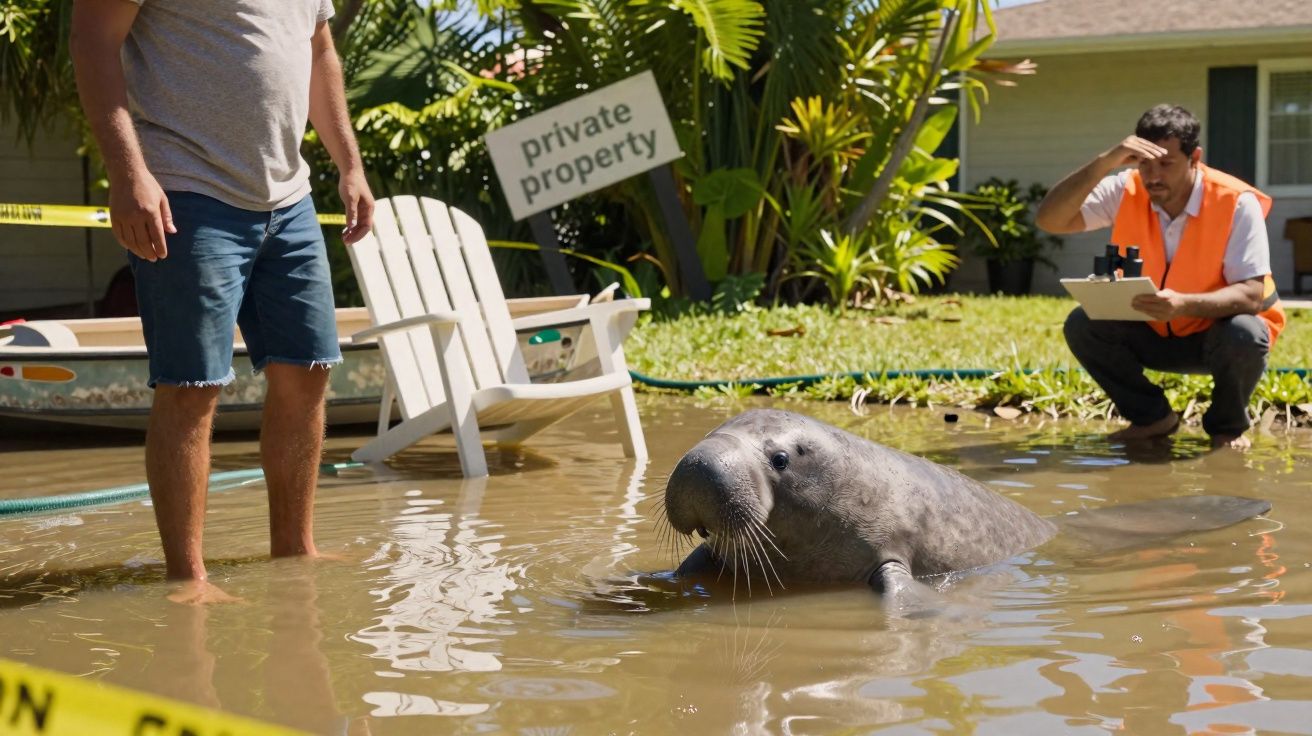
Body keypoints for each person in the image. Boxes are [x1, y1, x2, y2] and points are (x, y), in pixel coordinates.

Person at [70, 0, 375, 602]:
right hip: (186, 188)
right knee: (192, 387)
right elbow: (92, 39)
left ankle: (295, 550)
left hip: (289, 199)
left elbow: (319, 52)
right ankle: (188, 579)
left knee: (307, 373)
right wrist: (128, 172)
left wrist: (350, 164)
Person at [1036, 104, 1283, 451]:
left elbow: (1252, 294)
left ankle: (1227, 429)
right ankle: (1151, 418)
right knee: (1082, 324)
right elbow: (1050, 220)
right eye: (1144, 163)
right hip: (1152, 330)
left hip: (1215, 337)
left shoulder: (1236, 202)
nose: (1153, 176)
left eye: (1166, 164)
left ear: (1194, 157)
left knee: (1247, 332)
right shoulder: (1126, 189)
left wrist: (1184, 305)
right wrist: (1105, 162)